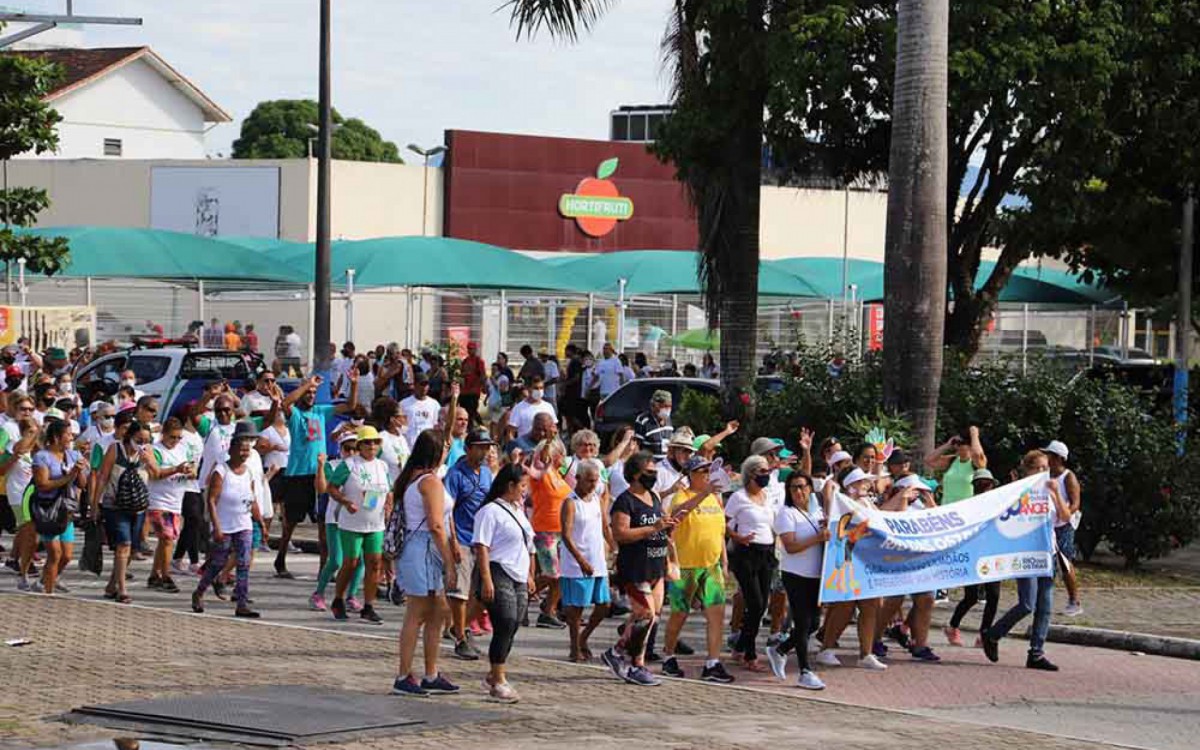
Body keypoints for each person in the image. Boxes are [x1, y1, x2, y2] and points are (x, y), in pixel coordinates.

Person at [981, 450, 1071, 671]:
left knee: (1045, 606)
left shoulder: (1050, 490)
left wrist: (1056, 494)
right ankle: (993, 634)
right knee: (1027, 604)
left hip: (1046, 553)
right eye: (1037, 468)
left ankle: (1036, 653)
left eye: (1045, 468)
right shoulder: (1019, 491)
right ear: (1028, 470)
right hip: (1026, 554)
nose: (1042, 472)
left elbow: (1065, 518)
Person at [392, 429, 460, 697]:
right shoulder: (429, 481)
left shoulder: (415, 477)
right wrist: (449, 561)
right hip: (423, 547)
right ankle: (404, 674)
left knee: (437, 610)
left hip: (420, 545)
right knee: (418, 611)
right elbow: (435, 523)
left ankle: (431, 672)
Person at [602, 450, 677, 687]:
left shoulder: (653, 497)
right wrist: (653, 528)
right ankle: (630, 660)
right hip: (635, 567)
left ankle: (629, 659)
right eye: (649, 472)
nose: (654, 476)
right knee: (644, 614)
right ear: (635, 474)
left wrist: (667, 527)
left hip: (656, 565)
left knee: (650, 618)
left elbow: (661, 525)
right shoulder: (625, 501)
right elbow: (621, 534)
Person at [276, 372, 358, 579]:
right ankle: (281, 557)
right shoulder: (295, 414)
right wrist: (306, 385)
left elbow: (349, 405)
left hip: (320, 473)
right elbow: (285, 403)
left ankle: (325, 568)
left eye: (314, 392)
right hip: (298, 474)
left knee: (324, 521)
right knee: (291, 522)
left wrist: (354, 383)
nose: (311, 395)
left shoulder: (321, 412)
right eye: (308, 392)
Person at [662, 456, 735, 683]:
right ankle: (668, 655)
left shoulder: (715, 498)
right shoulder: (681, 496)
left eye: (708, 470)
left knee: (716, 613)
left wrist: (724, 561)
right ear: (691, 474)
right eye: (702, 471)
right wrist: (703, 493)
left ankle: (712, 663)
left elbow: (719, 531)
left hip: (710, 566)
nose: (706, 474)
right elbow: (677, 515)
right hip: (686, 566)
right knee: (679, 613)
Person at [473, 462, 536, 703]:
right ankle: (499, 680)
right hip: (498, 570)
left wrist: (530, 574)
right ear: (509, 485)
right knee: (505, 620)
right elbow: (482, 546)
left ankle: (494, 672)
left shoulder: (519, 511)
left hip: (519, 573)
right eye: (522, 486)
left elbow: (528, 545)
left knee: (514, 623)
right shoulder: (490, 511)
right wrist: (486, 577)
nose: (524, 491)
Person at [815, 466, 887, 671]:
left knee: (870, 605)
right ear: (851, 485)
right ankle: (826, 649)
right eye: (861, 482)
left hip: (868, 560)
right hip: (847, 559)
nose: (866, 485)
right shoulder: (840, 503)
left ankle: (866, 653)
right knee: (844, 606)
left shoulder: (867, 503)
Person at [191, 420, 264, 618]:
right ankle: (199, 592)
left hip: (244, 523)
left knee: (243, 562)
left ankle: (241, 602)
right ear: (231, 450)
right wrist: (217, 526)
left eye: (247, 451)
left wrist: (261, 522)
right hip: (225, 524)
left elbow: (252, 498)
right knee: (217, 563)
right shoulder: (221, 471)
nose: (244, 454)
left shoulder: (248, 471)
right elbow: (212, 500)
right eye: (241, 450)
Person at [322, 425, 392, 624]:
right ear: (360, 445)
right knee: (351, 563)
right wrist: (345, 501)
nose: (371, 446)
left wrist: (389, 504)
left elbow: (389, 490)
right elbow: (331, 488)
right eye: (367, 442)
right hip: (352, 523)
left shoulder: (382, 466)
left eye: (375, 442)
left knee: (374, 563)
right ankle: (338, 600)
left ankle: (368, 606)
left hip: (375, 523)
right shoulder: (350, 464)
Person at [766, 471, 828, 689]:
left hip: (816, 575)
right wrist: (817, 538)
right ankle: (805, 671)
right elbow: (790, 547)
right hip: (795, 575)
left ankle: (780, 649)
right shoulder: (786, 513)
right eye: (794, 488)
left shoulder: (815, 512)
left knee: (813, 624)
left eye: (803, 486)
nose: (799, 491)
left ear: (810, 488)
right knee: (802, 623)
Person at [444, 429, 496, 660]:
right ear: (468, 448)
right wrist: (453, 541)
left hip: (481, 539)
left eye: (487, 447)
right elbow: (448, 510)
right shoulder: (455, 474)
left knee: (481, 593)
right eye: (480, 446)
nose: (485, 451)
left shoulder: (486, 473)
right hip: (462, 538)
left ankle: (461, 627)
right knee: (460, 592)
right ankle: (460, 638)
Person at [724, 454, 778, 671]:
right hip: (746, 553)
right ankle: (750, 653)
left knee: (762, 604)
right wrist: (736, 537)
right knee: (754, 603)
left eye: (768, 471)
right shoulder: (739, 497)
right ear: (752, 474)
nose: (766, 475)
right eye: (762, 472)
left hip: (767, 552)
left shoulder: (766, 496)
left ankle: (740, 644)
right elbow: (724, 522)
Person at [93, 419, 154, 604]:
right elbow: (102, 476)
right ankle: (122, 589)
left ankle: (112, 585)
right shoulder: (115, 449)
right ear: (130, 437)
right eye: (139, 439)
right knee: (123, 545)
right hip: (115, 505)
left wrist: (149, 462)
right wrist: (95, 503)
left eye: (146, 440)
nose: (142, 443)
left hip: (138, 506)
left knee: (129, 549)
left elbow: (157, 473)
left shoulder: (147, 452)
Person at [559, 458, 613, 663]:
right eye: (589, 481)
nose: (593, 485)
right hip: (576, 565)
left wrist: (614, 548)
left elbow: (604, 527)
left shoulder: (597, 500)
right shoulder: (570, 502)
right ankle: (574, 647)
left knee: (604, 605)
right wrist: (581, 560)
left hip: (597, 561)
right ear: (578, 479)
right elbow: (566, 534)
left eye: (596, 481)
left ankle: (584, 637)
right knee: (576, 609)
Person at [945, 468, 1002, 647]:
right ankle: (953, 626)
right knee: (971, 596)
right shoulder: (970, 505)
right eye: (979, 484)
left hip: (994, 555)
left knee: (993, 595)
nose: (984, 487)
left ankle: (984, 634)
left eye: (987, 483)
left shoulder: (1000, 503)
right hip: (974, 555)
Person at [31, 418, 87, 595]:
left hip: (66, 509)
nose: (71, 438)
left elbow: (82, 484)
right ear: (56, 437)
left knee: (66, 556)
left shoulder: (74, 455)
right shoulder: (42, 457)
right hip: (48, 509)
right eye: (68, 434)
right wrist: (69, 475)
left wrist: (79, 471)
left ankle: (46, 579)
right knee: (54, 554)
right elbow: (43, 484)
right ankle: (49, 593)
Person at [310, 433, 364, 612]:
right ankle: (318, 594)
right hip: (335, 519)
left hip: (358, 519)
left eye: (354, 448)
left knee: (360, 560)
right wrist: (319, 466)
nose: (351, 452)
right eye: (346, 448)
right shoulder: (331, 466)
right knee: (336, 561)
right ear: (340, 449)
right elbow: (322, 489)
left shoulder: (363, 467)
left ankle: (351, 595)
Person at [143, 417, 197, 593]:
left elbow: (194, 471)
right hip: (158, 501)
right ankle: (166, 576)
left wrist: (189, 471)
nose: (175, 441)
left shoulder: (183, 449)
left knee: (164, 541)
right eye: (172, 437)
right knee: (167, 539)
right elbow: (155, 474)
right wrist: (176, 469)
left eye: (178, 437)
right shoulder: (155, 451)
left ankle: (154, 575)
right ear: (163, 434)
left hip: (176, 501)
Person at [526, 437, 572, 629]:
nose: (564, 457)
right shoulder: (542, 474)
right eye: (561, 453)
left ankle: (548, 612)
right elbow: (542, 457)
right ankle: (522, 595)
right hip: (544, 530)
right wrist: (548, 442)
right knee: (552, 574)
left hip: (561, 531)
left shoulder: (560, 476)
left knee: (561, 576)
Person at [1044, 440, 1083, 616]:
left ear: (1059, 458)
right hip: (1049, 523)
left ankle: (1074, 600)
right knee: (1048, 562)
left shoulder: (1068, 476)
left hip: (1064, 524)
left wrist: (1064, 513)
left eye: (1050, 455)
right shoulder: (1044, 474)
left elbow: (1075, 503)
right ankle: (1045, 599)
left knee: (1065, 562)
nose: (1047, 458)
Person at [171, 403, 208, 576]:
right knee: (194, 519)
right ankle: (194, 561)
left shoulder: (198, 436)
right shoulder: (183, 435)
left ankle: (177, 558)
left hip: (195, 483)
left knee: (194, 522)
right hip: (183, 483)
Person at [925, 425, 987, 504]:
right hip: (948, 508)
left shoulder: (976, 463)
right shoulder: (952, 460)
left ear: (970, 446)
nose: (958, 446)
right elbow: (929, 460)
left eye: (961, 444)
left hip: (966, 507)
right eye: (957, 444)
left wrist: (974, 435)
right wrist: (948, 445)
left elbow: (978, 454)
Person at [507, 375, 557, 441]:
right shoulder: (519, 408)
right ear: (528, 388)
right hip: (525, 448)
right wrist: (514, 447)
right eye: (536, 388)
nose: (539, 391)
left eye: (541, 388)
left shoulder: (548, 407)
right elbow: (511, 433)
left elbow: (554, 429)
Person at [399, 373, 440, 448]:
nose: (424, 387)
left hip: (428, 445)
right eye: (422, 384)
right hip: (410, 445)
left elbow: (436, 425)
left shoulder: (434, 404)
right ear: (414, 385)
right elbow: (401, 426)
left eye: (426, 384)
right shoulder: (403, 404)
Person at [633, 390, 674, 460]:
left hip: (666, 465)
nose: (667, 409)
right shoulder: (643, 420)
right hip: (650, 465)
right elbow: (636, 446)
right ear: (654, 405)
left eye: (669, 406)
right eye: (665, 406)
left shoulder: (669, 419)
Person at [459, 341, 488, 425]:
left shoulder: (479, 361)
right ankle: (472, 426)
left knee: (472, 411)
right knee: (465, 411)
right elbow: (462, 374)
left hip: (474, 390)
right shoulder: (465, 361)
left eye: (472, 349)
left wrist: (484, 387)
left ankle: (479, 426)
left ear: (475, 350)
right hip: (464, 391)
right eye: (469, 349)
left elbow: (483, 375)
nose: (470, 350)